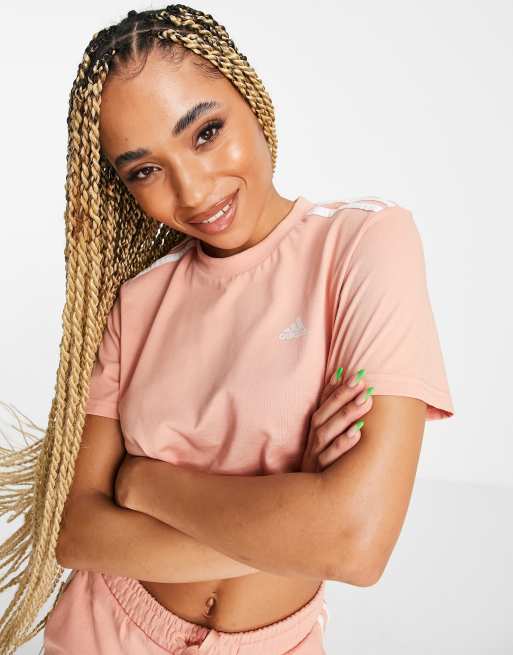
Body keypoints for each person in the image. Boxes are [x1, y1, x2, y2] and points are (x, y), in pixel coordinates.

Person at [0, 5, 455, 654]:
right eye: (144, 170)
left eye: (205, 132)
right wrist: (292, 515)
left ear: (249, 95)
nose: (192, 190)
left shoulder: (363, 243)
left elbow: (356, 544)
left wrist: (142, 483)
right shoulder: (136, 301)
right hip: (101, 631)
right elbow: (76, 533)